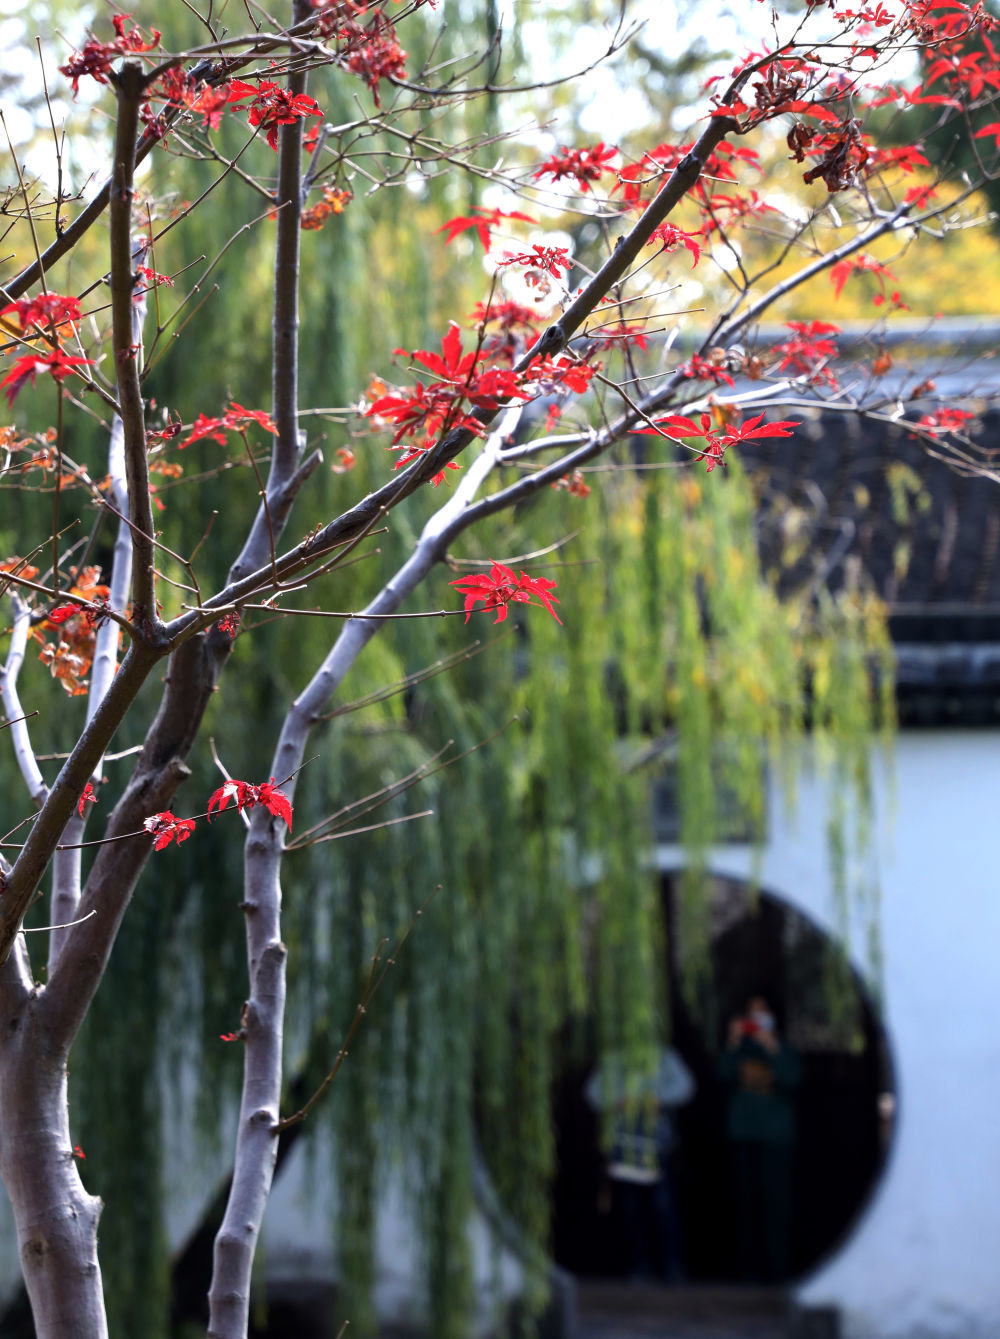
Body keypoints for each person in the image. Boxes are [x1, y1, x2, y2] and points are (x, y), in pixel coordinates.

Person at [587, 1048, 695, 1283]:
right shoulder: (613, 1059)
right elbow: (593, 1094)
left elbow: (685, 1086)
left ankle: (673, 1266)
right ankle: (641, 1266)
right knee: (630, 1208)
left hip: (656, 1144)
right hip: (624, 1144)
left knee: (663, 1205)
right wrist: (618, 1098)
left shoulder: (664, 1057)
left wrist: (657, 1098)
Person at [718, 995, 801, 1282]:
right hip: (743, 1134)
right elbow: (721, 1076)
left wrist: (773, 1048)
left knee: (776, 1204)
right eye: (751, 1014)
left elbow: (792, 1080)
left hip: (776, 1137)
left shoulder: (784, 1048)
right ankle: (747, 1270)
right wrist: (732, 1042)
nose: (757, 1019)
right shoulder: (739, 1049)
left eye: (762, 1013)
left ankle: (779, 1269)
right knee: (745, 1204)